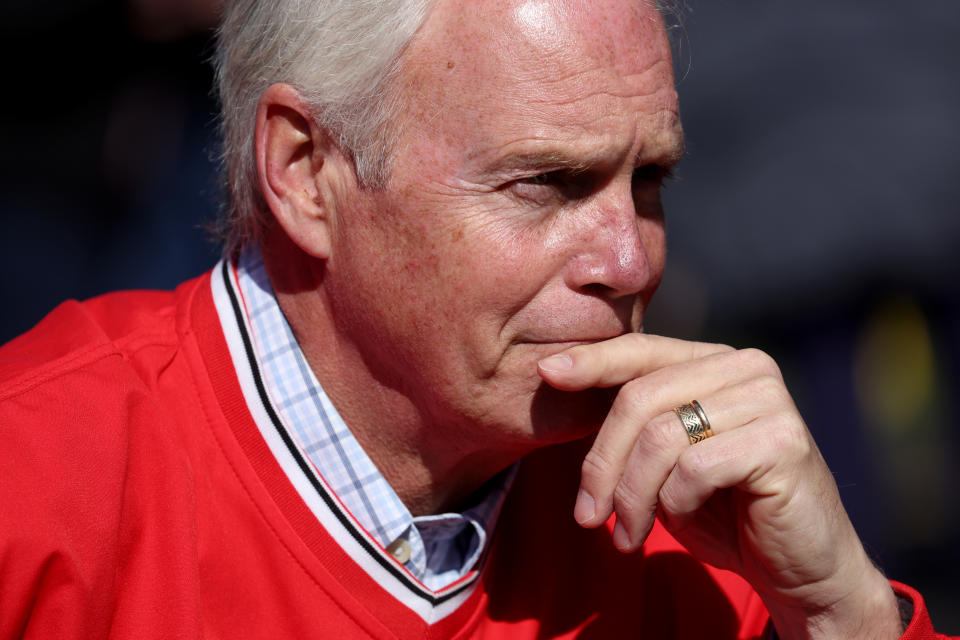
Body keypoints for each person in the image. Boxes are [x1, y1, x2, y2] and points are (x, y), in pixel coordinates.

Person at [0, 0, 952, 638]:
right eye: (548, 183)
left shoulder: (702, 514)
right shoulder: (40, 487)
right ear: (304, 172)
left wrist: (842, 612)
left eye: (650, 180)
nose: (631, 262)